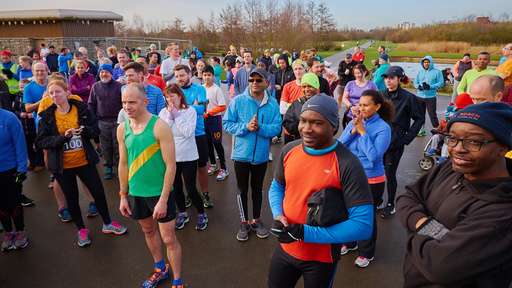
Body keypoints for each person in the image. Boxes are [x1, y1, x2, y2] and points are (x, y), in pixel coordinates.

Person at [396, 102, 512, 287]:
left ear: (503, 147)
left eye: (474, 141)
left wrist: (412, 223)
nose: (458, 149)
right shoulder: (451, 168)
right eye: (452, 138)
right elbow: (406, 197)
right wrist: (426, 225)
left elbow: (438, 265)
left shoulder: (502, 211)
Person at [267, 94, 374, 288]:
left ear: (333, 126)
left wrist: (305, 233)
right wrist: (277, 213)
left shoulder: (347, 163)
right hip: (285, 250)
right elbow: (277, 186)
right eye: (303, 121)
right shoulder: (289, 150)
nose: (306, 129)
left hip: (320, 259)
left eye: (316, 123)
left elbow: (362, 225)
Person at [36, 79, 127, 247]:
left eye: (58, 92)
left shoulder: (81, 109)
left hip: (84, 161)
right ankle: (81, 229)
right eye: (51, 93)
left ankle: (107, 223)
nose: (55, 95)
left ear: (67, 92)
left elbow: (95, 130)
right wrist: (63, 138)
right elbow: (41, 141)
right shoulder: (47, 116)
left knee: (98, 192)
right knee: (72, 197)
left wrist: (85, 131)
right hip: (63, 166)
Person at [117, 83, 185, 288]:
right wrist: (123, 195)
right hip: (137, 192)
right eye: (124, 102)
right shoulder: (122, 128)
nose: (127, 106)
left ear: (145, 102)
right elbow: (123, 162)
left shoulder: (159, 127)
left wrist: (164, 199)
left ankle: (178, 281)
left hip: (159, 193)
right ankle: (160, 268)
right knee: (148, 232)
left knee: (169, 238)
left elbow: (171, 166)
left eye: (131, 102)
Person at [223, 68, 281, 241]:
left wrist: (261, 128)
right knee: (242, 189)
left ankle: (256, 220)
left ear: (266, 83)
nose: (254, 83)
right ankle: (244, 221)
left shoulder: (272, 104)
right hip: (241, 155)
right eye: (251, 80)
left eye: (258, 80)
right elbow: (226, 123)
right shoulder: (238, 101)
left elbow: (277, 127)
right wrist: (245, 127)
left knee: (257, 189)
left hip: (261, 156)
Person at [339, 90, 393, 268]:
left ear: (377, 106)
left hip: (371, 180)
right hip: (350, 175)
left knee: (365, 216)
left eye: (366, 105)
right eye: (360, 104)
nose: (361, 108)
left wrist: (362, 133)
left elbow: (373, 157)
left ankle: (366, 252)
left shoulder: (383, 128)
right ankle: (351, 241)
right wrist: (353, 129)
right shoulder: (356, 121)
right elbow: (339, 145)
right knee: (347, 212)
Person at [159, 83, 208, 231]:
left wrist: (177, 116)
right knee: (176, 188)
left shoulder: (190, 111)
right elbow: (163, 132)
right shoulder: (163, 113)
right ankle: (182, 213)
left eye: (172, 96)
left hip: (188, 156)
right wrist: (170, 115)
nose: (169, 100)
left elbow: (187, 132)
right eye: (167, 97)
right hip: (171, 157)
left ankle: (201, 213)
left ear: (180, 96)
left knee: (191, 187)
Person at [380, 66, 425, 218]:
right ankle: (379, 200)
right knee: (377, 171)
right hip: (379, 141)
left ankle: (391, 204)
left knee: (389, 173)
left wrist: (407, 138)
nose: (388, 81)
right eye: (386, 78)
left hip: (396, 142)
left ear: (399, 79)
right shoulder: (380, 95)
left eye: (392, 78)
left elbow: (419, 118)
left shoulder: (408, 97)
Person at [174, 64, 213, 208]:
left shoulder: (200, 88)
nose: (180, 79)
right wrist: (191, 106)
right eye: (177, 76)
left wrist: (182, 106)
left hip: (198, 133)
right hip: (181, 135)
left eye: (182, 75)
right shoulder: (174, 90)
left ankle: (205, 194)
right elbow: (171, 108)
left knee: (202, 167)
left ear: (190, 74)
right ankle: (190, 194)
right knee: (184, 169)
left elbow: (202, 109)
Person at [0, 107, 29, 251]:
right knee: (1, 205)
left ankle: (20, 231)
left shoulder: (9, 118)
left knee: (14, 202)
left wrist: (22, 169)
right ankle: (8, 232)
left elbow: (20, 144)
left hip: (12, 171)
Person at [88, 63, 123, 180]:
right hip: (102, 121)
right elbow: (91, 104)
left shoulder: (119, 86)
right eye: (102, 72)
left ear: (111, 73)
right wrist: (93, 121)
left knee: (118, 145)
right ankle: (108, 166)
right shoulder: (95, 87)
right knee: (105, 146)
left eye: (107, 71)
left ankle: (119, 167)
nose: (104, 74)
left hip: (118, 121)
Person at [202, 65, 229, 181]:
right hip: (204, 120)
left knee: (217, 143)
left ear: (213, 76)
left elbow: (222, 106)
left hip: (215, 120)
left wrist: (209, 112)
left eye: (209, 75)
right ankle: (213, 164)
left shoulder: (216, 89)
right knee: (207, 144)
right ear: (202, 76)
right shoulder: (201, 88)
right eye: (205, 75)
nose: (207, 77)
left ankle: (224, 168)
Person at [22, 62, 47, 176]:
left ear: (47, 71)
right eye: (37, 70)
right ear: (33, 72)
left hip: (59, 119)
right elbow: (27, 108)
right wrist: (43, 100)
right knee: (46, 149)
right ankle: (53, 176)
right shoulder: (29, 87)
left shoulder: (53, 83)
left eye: (42, 70)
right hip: (41, 122)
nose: (40, 72)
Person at [282, 72, 320, 143]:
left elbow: (334, 125)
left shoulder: (325, 103)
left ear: (316, 87)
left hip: (320, 144)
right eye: (304, 87)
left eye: (310, 86)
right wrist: (302, 127)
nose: (306, 89)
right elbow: (287, 122)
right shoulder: (297, 103)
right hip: (300, 142)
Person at [414, 56, 445, 136]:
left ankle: (437, 131)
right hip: (419, 96)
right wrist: (418, 87)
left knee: (432, 115)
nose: (426, 64)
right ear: (422, 63)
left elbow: (441, 83)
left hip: (430, 97)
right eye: (424, 62)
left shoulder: (437, 72)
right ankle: (421, 130)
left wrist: (430, 87)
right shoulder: (420, 72)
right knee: (420, 115)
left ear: (431, 63)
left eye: (428, 62)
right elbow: (415, 82)